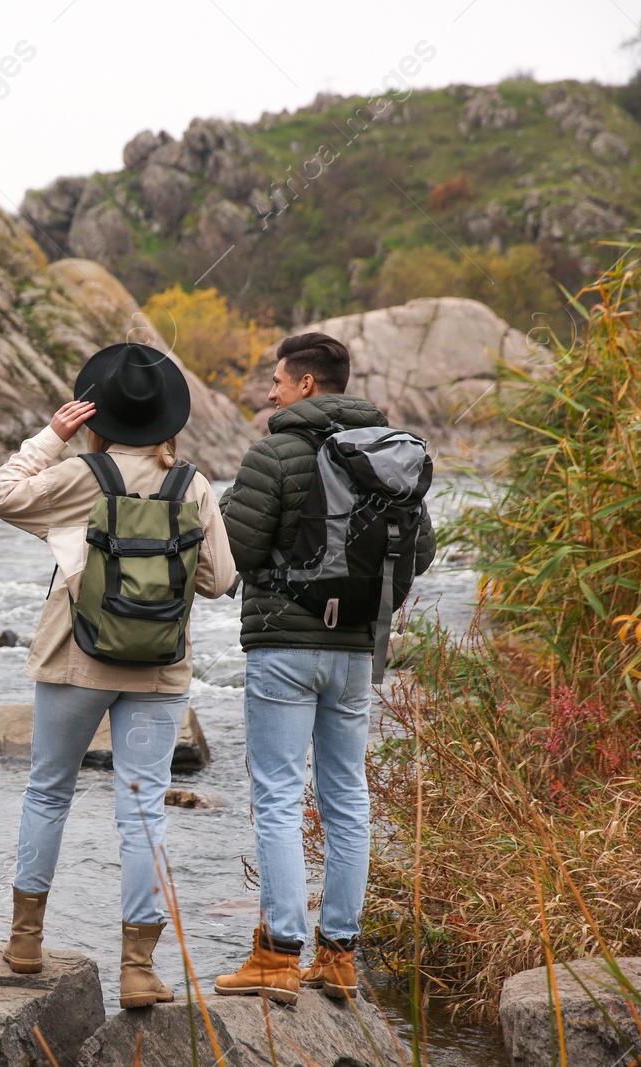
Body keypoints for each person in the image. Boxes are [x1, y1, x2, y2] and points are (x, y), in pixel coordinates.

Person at [0, 343, 236, 1010]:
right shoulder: (195, 484)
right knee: (143, 811)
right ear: (167, 420)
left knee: (47, 792)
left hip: (74, 657)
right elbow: (221, 581)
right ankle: (136, 968)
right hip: (158, 669)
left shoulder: (79, 474)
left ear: (99, 414)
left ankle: (25, 943)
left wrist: (52, 435)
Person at [214, 333, 435, 1004]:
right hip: (355, 654)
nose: (270, 391)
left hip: (285, 647)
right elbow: (419, 553)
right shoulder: (388, 454)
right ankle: (338, 956)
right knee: (347, 799)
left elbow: (234, 549)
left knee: (279, 797)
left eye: (278, 379)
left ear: (308, 384)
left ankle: (279, 955)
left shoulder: (275, 452)